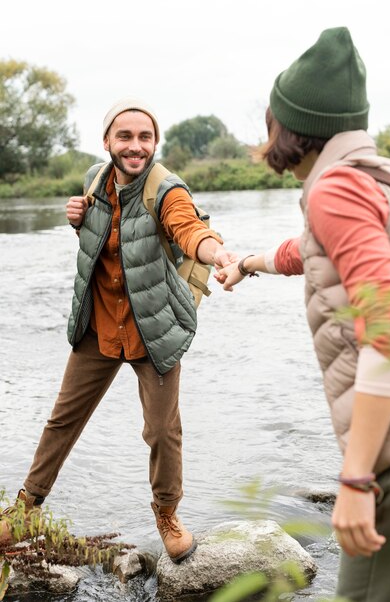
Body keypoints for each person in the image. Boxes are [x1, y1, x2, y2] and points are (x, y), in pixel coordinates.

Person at [216, 28, 390, 601]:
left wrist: (356, 478)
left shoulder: (334, 190)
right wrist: (248, 263)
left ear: (289, 125)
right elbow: (312, 248)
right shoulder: (381, 178)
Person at [0, 97, 237, 564]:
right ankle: (24, 510)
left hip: (154, 330)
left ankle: (167, 516)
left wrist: (219, 252)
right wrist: (77, 220)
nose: (135, 146)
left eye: (144, 137)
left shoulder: (166, 191)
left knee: (162, 431)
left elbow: (189, 230)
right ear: (107, 141)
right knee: (62, 420)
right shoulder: (94, 181)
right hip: (100, 326)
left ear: (155, 142)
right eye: (124, 136)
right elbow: (108, 243)